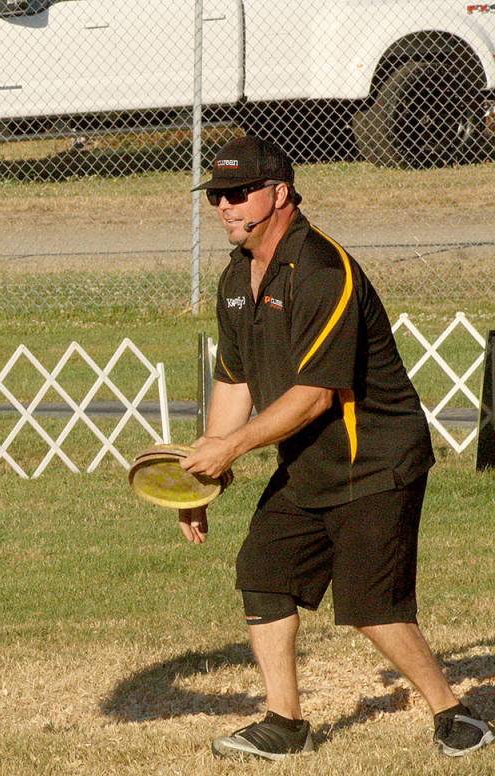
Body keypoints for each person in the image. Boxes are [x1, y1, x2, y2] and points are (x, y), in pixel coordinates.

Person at [180, 135, 494, 761]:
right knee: (264, 572)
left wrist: (232, 450)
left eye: (239, 193)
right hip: (310, 458)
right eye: (217, 196)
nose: (225, 205)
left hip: (375, 457)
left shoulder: (323, 271)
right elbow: (234, 378)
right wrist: (202, 478)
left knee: (372, 608)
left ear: (280, 193)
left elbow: (315, 396)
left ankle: (455, 713)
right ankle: (284, 722)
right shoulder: (235, 278)